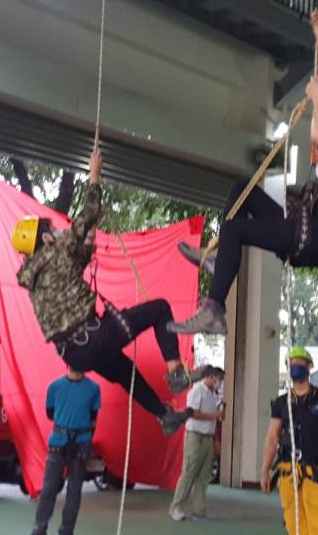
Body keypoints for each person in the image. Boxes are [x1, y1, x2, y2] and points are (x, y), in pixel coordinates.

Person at [169, 11, 318, 335]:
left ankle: (214, 311)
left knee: (236, 230)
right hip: (307, 217)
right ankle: (218, 257)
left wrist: (317, 103)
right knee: (242, 189)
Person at [14, 145, 193, 436]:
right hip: (93, 337)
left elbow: (78, 260)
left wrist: (87, 242)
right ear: (45, 238)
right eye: (51, 230)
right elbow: (88, 214)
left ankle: (164, 416)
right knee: (160, 309)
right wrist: (94, 176)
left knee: (125, 372)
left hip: (75, 355)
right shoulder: (56, 251)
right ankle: (175, 372)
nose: (56, 232)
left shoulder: (35, 278)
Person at [261, 347, 318, 535]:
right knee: (293, 522)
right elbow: (272, 437)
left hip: (314, 468)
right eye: (291, 364)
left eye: (299, 363)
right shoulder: (282, 403)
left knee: (317, 522)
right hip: (288, 469)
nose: (295, 367)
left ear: (309, 367)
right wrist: (265, 470)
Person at [32, 366, 101, 535]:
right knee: (51, 489)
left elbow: (51, 414)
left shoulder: (92, 389)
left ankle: (62, 529)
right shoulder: (56, 387)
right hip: (64, 443)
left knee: (71, 490)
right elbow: (93, 419)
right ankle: (42, 528)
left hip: (74, 443)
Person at [170, 366, 225, 522]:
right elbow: (192, 413)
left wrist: (216, 440)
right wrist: (214, 415)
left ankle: (198, 510)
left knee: (203, 476)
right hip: (195, 436)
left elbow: (215, 419)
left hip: (208, 437)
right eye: (219, 379)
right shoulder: (196, 391)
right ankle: (176, 507)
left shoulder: (214, 395)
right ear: (211, 376)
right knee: (189, 472)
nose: (220, 383)